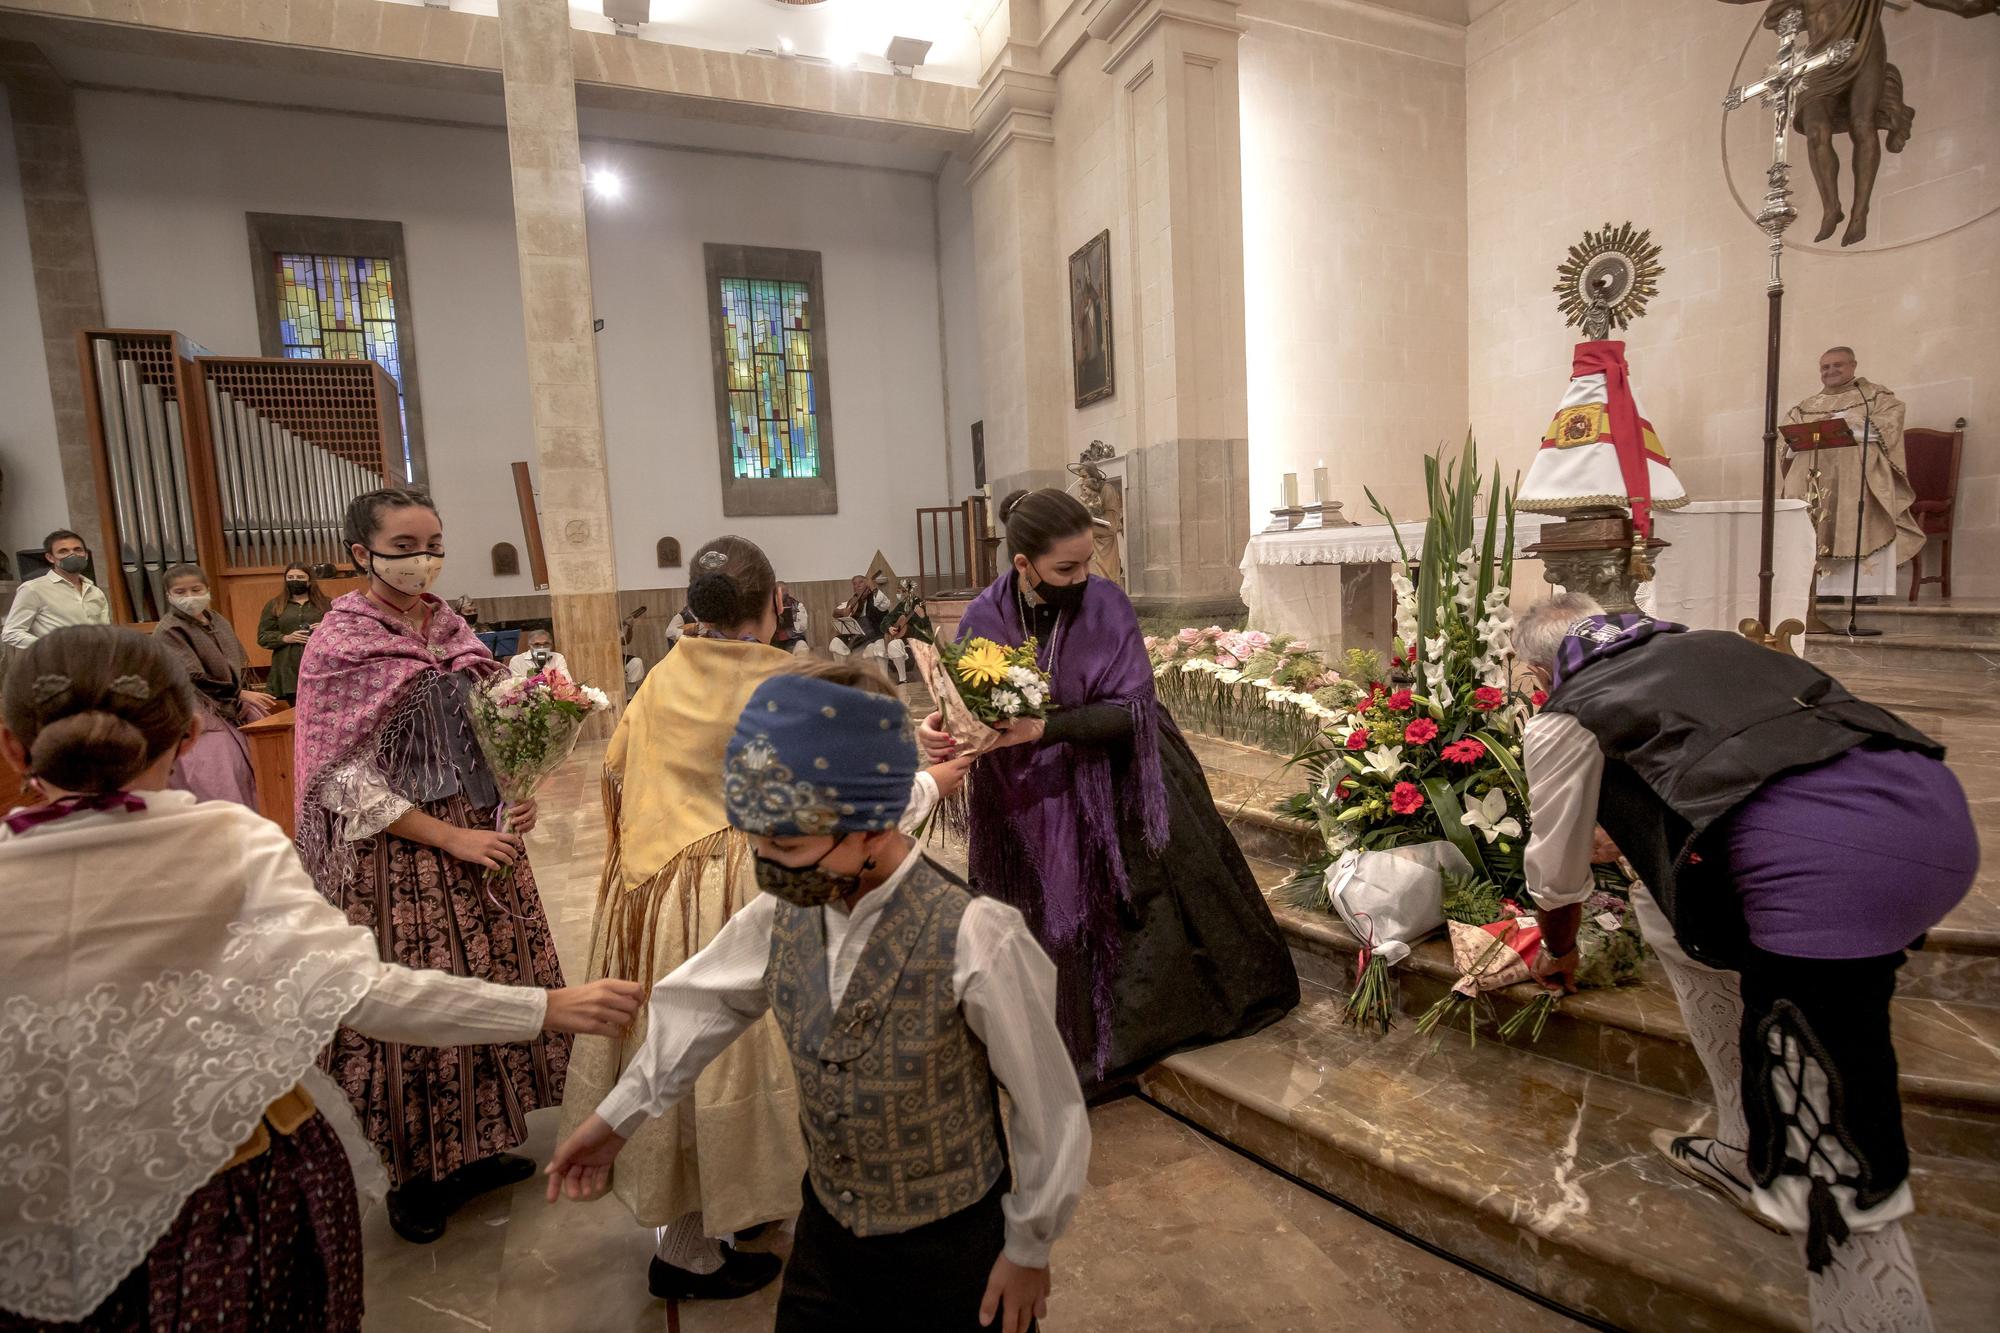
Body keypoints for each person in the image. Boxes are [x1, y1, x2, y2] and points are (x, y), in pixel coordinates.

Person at [0, 625, 643, 1333]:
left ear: (12, 745)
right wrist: (547, 1005)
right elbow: (365, 992)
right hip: (237, 1199)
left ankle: (471, 1151)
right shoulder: (229, 841)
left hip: (37, 1209)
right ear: (188, 734)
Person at [547, 669, 1088, 1333]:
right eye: (759, 840)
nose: (766, 863)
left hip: (952, 1250)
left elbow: (1049, 1105)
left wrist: (1029, 1246)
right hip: (830, 1237)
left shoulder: (977, 935)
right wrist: (617, 1118)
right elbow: (697, 1011)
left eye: (788, 845)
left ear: (872, 826)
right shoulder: (779, 915)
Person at [1514, 592, 1978, 1333]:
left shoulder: (1568, 708)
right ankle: (1739, 1142)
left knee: (1831, 1149)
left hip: (1827, 870)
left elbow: (1558, 872)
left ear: (1537, 674)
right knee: (1663, 912)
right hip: (1934, 818)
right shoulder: (1708, 645)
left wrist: (1559, 949)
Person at [555, 540, 972, 1304]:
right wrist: (933, 777)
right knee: (745, 1060)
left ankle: (729, 1216)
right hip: (746, 886)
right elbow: (846, 804)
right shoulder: (782, 679)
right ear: (777, 601)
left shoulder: (663, 673)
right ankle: (689, 1250)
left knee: (686, 1050)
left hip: (659, 892)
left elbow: (617, 770)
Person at [924, 488, 1298, 1088]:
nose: (1083, 577)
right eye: (1065, 568)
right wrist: (940, 724)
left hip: (1115, 778)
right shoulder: (983, 616)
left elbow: (1133, 712)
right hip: (1023, 793)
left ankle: (1114, 1034)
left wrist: (1044, 727)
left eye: (1088, 562)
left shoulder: (1108, 605)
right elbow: (966, 700)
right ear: (1023, 565)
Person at [293, 486, 573, 1245]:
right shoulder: (340, 641)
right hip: (400, 853)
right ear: (361, 553)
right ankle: (415, 1175)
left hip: (478, 832)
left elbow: (488, 731)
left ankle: (474, 1148)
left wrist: (516, 793)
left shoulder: (451, 627)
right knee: (420, 993)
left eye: (433, 543)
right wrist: (449, 838)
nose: (424, 559)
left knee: (488, 979)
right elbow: (338, 776)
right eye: (405, 545)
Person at [1780, 346, 1924, 598]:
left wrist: (1849, 422)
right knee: (1812, 525)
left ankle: (1864, 589)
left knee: (1861, 522)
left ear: (1853, 366)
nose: (1831, 371)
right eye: (1825, 367)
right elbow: (1787, 441)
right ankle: (1822, 590)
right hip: (1812, 480)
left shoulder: (1874, 396)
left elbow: (1890, 423)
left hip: (1857, 481)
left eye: (1838, 365)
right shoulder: (1805, 406)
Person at [154, 562, 275, 808]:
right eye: (180, 592)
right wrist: (238, 693)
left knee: (258, 755)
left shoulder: (217, 620)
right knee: (220, 774)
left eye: (196, 589)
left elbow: (235, 661)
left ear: (207, 589)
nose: (190, 597)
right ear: (168, 595)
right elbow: (191, 676)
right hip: (197, 708)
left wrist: (241, 693)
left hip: (228, 703)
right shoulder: (169, 629)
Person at [2, 529, 110, 648]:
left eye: (77, 549)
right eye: (63, 551)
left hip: (96, 661)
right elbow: (11, 633)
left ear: (86, 555)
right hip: (57, 663)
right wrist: (53, 648)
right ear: (50, 557)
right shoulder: (33, 589)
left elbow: (105, 632)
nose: (72, 554)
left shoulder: (95, 592)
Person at [257, 562, 330, 703]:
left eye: (299, 577)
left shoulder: (326, 604)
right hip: (287, 671)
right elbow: (263, 636)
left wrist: (325, 628)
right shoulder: (274, 605)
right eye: (290, 577)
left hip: (320, 665)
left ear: (309, 580)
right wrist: (285, 638)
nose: (294, 580)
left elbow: (342, 632)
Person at [828, 573, 912, 684]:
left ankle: (883, 681)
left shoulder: (876, 599)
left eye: (861, 582)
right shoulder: (853, 600)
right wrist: (843, 612)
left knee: (875, 650)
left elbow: (885, 604)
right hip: (856, 637)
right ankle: (844, 679)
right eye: (854, 584)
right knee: (835, 643)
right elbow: (835, 612)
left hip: (874, 636)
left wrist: (874, 588)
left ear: (867, 584)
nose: (857, 586)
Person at [772, 581, 810, 654]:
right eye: (778, 592)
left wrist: (788, 633)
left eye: (783, 592)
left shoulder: (797, 605)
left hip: (793, 640)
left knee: (800, 648)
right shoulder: (769, 607)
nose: (781, 594)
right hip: (774, 640)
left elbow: (802, 626)